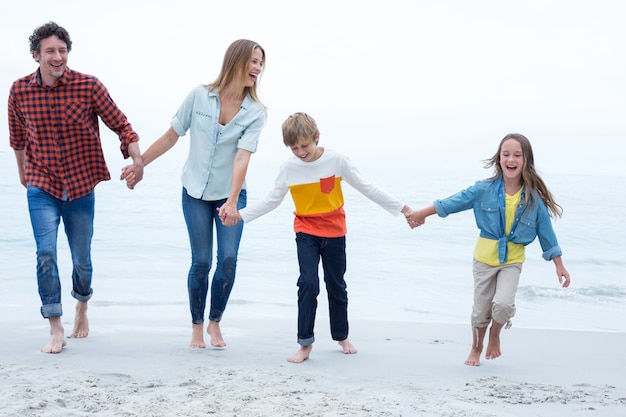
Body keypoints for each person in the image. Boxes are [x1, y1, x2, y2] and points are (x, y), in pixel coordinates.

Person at [221, 112, 413, 363]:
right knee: (308, 283)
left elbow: (367, 187)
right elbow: (272, 200)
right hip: (306, 231)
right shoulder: (288, 167)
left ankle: (341, 336)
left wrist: (404, 209)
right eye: (294, 147)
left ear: (316, 137)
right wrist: (240, 216)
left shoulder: (336, 160)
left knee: (336, 285)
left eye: (304, 145)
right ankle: (305, 343)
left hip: (335, 232)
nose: (300, 152)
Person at [8, 21, 144, 354]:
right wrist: (23, 172)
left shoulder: (88, 86)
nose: (58, 57)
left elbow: (122, 125)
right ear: (35, 55)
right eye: (50, 51)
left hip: (81, 186)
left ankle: (82, 304)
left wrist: (137, 160)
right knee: (45, 253)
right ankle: (55, 327)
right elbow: (16, 139)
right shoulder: (19, 90)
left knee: (82, 261)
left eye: (62, 50)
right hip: (41, 185)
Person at [122, 39, 267, 349]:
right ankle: (197, 326)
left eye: (260, 63)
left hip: (231, 195)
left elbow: (242, 156)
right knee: (201, 262)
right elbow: (172, 135)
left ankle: (215, 322)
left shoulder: (255, 113)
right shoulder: (199, 96)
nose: (257, 68)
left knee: (227, 260)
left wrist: (231, 200)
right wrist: (140, 163)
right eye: (253, 61)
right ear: (236, 61)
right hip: (195, 194)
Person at [406, 133, 571, 366]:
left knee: (503, 305)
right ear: (499, 159)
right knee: (481, 310)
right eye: (506, 154)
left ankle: (495, 335)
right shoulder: (483, 189)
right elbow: (453, 202)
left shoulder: (534, 199)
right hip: (484, 259)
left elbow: (547, 234)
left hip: (512, 261)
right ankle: (476, 348)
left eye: (517, 155)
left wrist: (559, 265)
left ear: (526, 160)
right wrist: (422, 214)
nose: (511, 159)